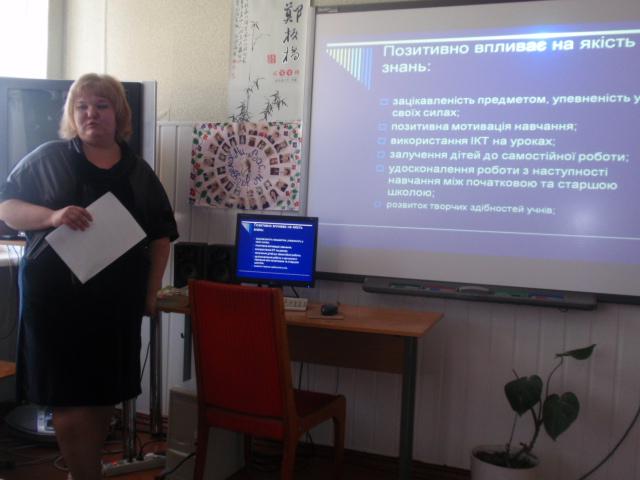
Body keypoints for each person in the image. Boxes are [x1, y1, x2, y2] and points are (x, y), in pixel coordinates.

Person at [0, 73, 178, 480]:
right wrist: (53, 216)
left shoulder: (138, 172)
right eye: (81, 107)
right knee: (67, 396)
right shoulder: (48, 159)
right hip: (56, 303)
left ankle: (86, 471)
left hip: (114, 304)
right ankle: (84, 474)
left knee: (104, 394)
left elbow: (161, 237)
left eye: (101, 105)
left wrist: (150, 294)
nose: (91, 114)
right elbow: (6, 208)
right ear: (71, 114)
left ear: (119, 114)